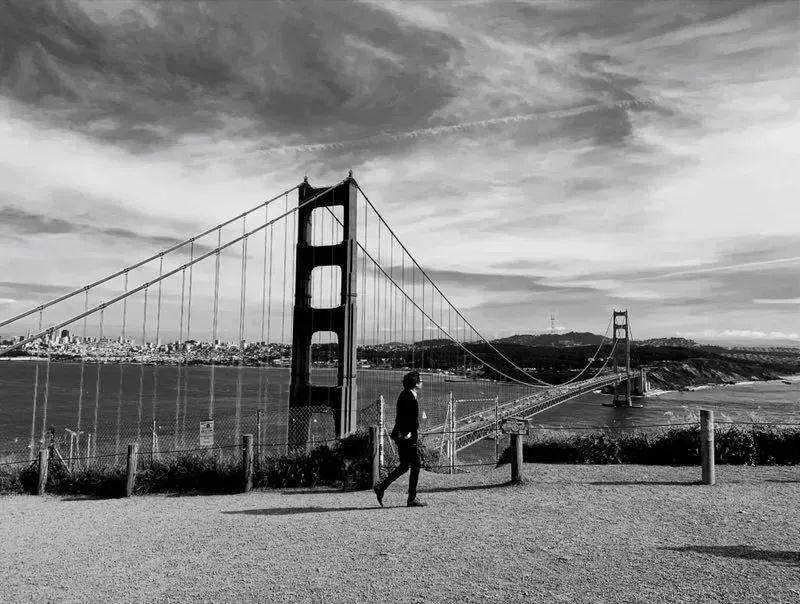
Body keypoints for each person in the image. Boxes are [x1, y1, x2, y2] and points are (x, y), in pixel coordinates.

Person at [373, 370, 427, 507]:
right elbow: (402, 418)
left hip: (405, 435)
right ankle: (411, 498)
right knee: (416, 464)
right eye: (421, 380)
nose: (422, 382)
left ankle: (381, 487)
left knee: (404, 466)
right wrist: (407, 433)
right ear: (415, 383)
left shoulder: (408, 394)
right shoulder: (407, 396)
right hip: (406, 436)